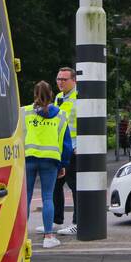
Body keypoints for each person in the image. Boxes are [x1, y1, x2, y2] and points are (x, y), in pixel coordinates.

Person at [23, 81, 72, 248]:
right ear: (51, 94)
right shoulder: (61, 115)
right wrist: (62, 164)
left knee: (26, 197)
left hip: (28, 159)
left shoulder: (25, 112)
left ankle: (21, 237)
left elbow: (18, 136)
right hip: (50, 160)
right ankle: (49, 237)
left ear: (34, 94)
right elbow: (66, 144)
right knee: (47, 197)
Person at [53, 67, 79, 235]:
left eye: (64, 79)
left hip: (74, 148)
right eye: (58, 79)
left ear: (73, 81)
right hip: (60, 148)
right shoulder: (58, 98)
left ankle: (78, 222)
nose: (60, 82)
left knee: (75, 185)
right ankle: (56, 220)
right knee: (56, 184)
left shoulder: (80, 97)